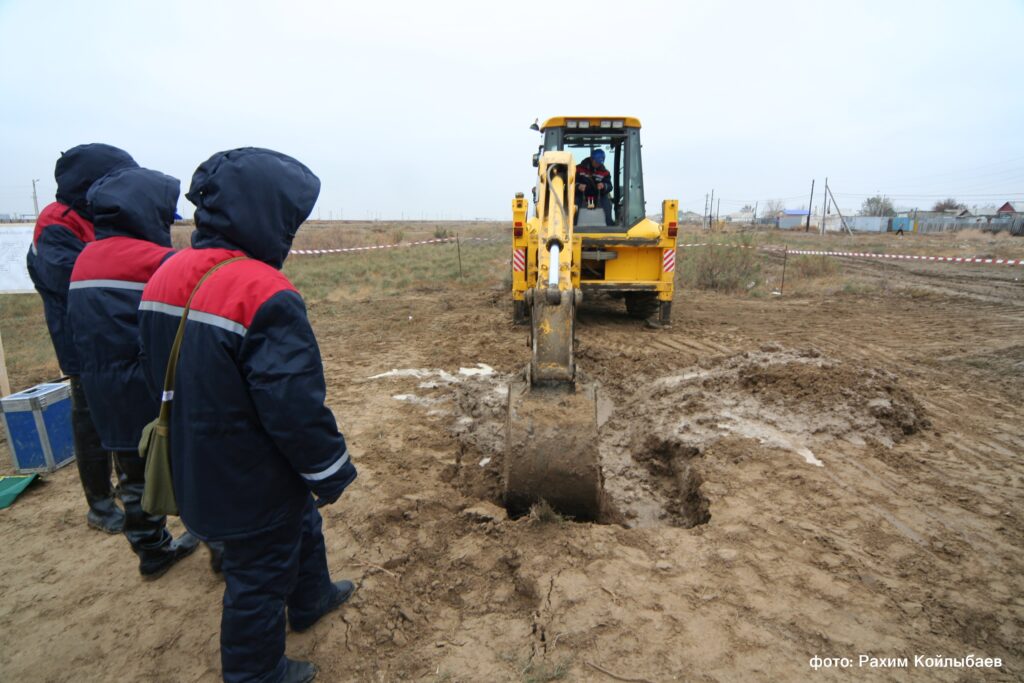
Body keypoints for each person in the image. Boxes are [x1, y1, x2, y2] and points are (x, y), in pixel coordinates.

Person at [138, 148, 357, 683]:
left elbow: (149, 363)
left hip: (196, 458)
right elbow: (293, 405)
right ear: (265, 214)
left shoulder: (166, 273)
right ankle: (255, 673)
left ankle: (312, 596)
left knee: (301, 523)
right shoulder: (265, 292)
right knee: (257, 578)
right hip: (250, 474)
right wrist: (330, 469)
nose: (292, 231)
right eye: (289, 218)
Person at [67, 167, 204, 579]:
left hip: (102, 389)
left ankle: (152, 551)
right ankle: (221, 547)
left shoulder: (85, 258)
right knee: (190, 467)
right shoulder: (160, 261)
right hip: (150, 388)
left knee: (132, 474)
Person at [27, 143, 138, 534]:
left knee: (122, 413)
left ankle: (128, 488)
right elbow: (71, 278)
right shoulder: (56, 222)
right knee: (92, 419)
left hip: (111, 336)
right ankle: (100, 503)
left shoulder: (95, 216)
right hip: (81, 341)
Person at [575, 148, 614, 226]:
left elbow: (609, 186)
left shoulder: (605, 172)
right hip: (581, 195)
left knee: (607, 204)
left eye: (600, 162)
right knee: (574, 205)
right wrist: (578, 186)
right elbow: (570, 183)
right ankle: (573, 225)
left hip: (598, 197)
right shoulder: (578, 169)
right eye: (596, 162)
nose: (598, 164)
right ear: (591, 159)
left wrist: (603, 186)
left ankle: (609, 227)